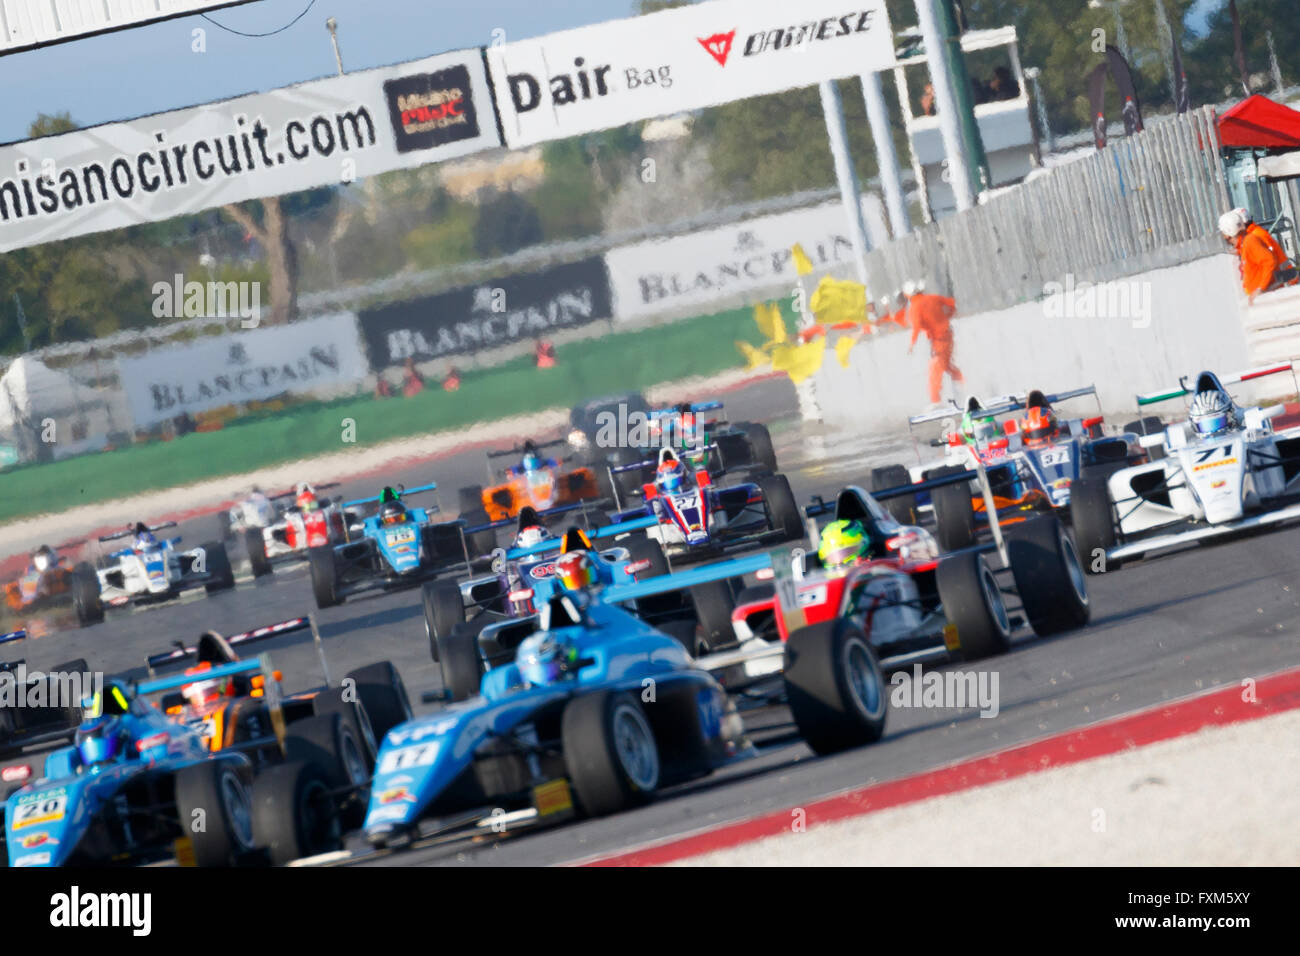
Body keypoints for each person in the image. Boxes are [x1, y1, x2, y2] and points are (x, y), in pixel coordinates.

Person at [905, 282, 963, 404]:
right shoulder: (933, 297)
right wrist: (948, 315)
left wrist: (912, 343)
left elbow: (916, 326)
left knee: (935, 368)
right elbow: (952, 303)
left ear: (908, 295)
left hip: (939, 340)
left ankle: (936, 400)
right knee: (945, 365)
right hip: (947, 335)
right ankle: (961, 387)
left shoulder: (915, 306)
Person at [1220, 208, 1288, 302]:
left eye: (1223, 234)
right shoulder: (1247, 241)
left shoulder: (1251, 239)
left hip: (1272, 293)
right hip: (1266, 295)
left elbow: (1269, 261)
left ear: (1228, 233)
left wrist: (1260, 288)